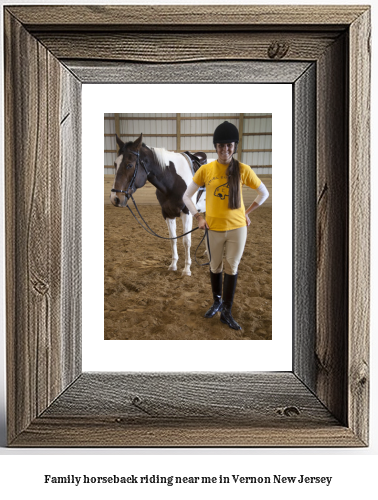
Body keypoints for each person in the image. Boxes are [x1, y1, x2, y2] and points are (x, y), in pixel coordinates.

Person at [183, 121, 269, 330]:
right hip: (213, 229)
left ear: (234, 146)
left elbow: (264, 193)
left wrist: (245, 213)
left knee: (232, 267)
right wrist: (198, 217)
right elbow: (186, 196)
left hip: (238, 229)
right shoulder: (206, 170)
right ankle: (216, 302)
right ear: (216, 147)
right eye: (220, 146)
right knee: (215, 266)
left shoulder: (243, 170)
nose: (225, 149)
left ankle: (227, 311)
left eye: (229, 145)